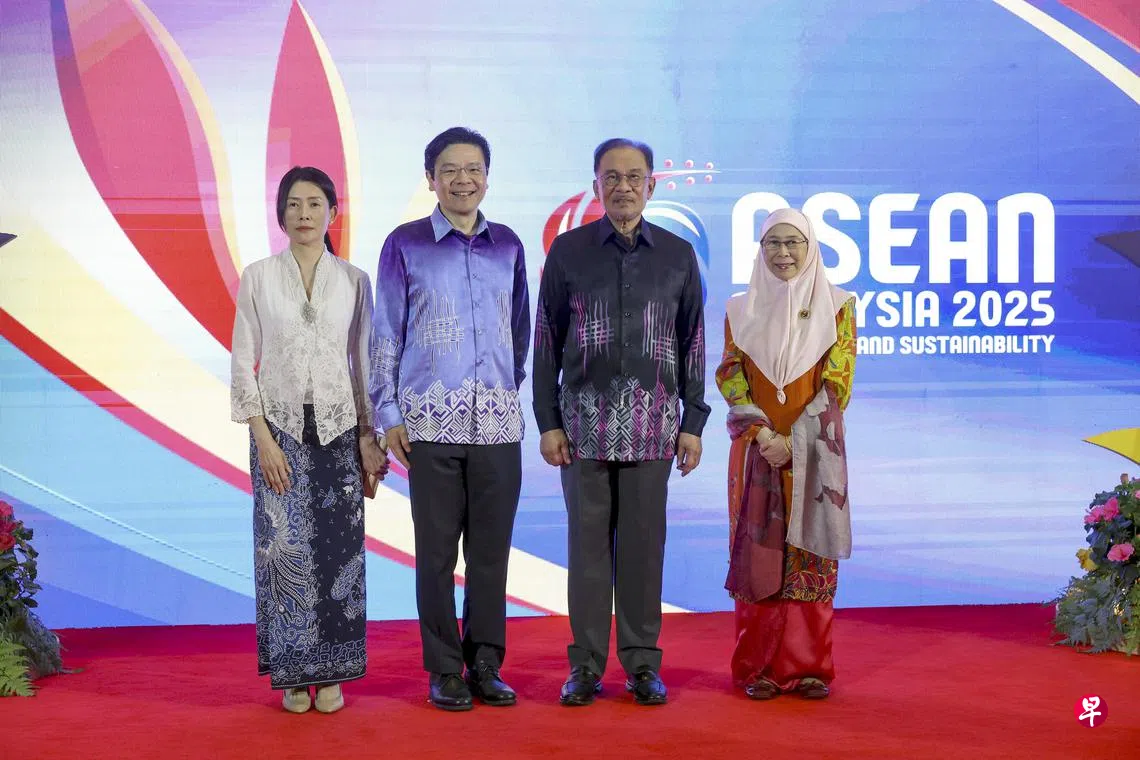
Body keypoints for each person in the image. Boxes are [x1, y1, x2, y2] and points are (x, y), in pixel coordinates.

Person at [533, 138, 709, 707]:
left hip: (654, 429)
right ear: (596, 186)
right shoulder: (568, 252)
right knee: (587, 555)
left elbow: (693, 342)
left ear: (651, 185)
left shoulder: (678, 256)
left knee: (641, 553)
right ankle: (585, 666)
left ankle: (642, 664)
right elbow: (546, 340)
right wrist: (548, 421)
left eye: (634, 177)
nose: (623, 187)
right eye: (611, 177)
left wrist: (693, 421)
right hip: (582, 430)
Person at [371, 127, 530, 711]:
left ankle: (485, 663)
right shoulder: (405, 244)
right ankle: (443, 669)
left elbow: (520, 329)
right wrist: (389, 412)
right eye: (450, 170)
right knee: (436, 556)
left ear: (487, 176)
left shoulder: (508, 245)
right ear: (431, 178)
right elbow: (385, 333)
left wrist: (502, 390)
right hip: (428, 426)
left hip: (497, 426)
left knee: (490, 554)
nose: (463, 180)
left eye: (473, 169)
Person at [231, 166, 389, 714]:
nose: (304, 214)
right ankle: (294, 676)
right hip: (278, 429)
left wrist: (369, 436)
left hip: (341, 430)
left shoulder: (355, 281)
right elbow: (243, 361)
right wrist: (262, 438)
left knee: (339, 553)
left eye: (315, 204)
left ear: (332, 212)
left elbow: (365, 362)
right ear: (281, 214)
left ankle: (333, 673)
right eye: (294, 204)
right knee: (284, 551)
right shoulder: (257, 277)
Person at [715, 207, 856, 701]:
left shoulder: (839, 306)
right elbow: (730, 374)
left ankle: (809, 668)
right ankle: (759, 668)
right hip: (756, 451)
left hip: (814, 451)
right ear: (760, 250)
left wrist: (793, 440)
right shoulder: (739, 310)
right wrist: (762, 435)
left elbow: (838, 381)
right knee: (760, 554)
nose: (783, 253)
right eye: (772, 243)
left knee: (811, 553)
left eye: (793, 242)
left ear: (810, 247)